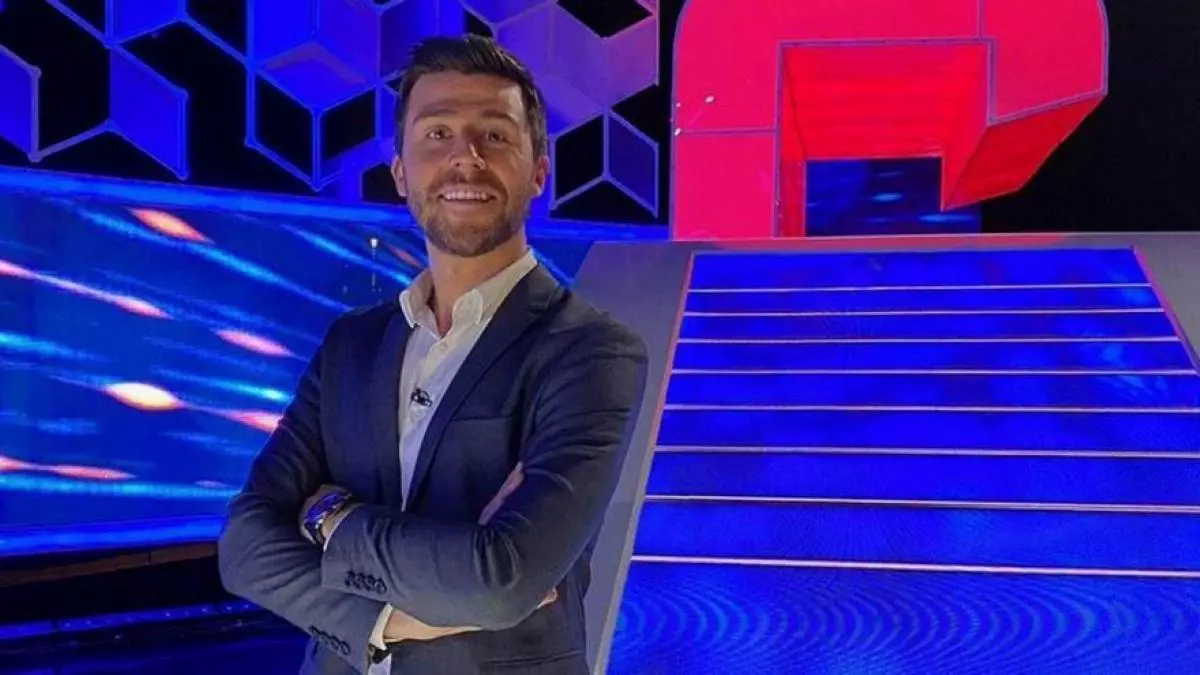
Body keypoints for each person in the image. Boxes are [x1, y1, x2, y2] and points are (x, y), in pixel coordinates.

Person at [217, 35, 649, 675]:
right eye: (437, 133)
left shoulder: (591, 351)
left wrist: (329, 518)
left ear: (538, 170)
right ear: (401, 172)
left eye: (494, 135)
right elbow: (244, 546)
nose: (465, 158)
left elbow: (501, 581)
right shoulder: (351, 345)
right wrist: (381, 622)